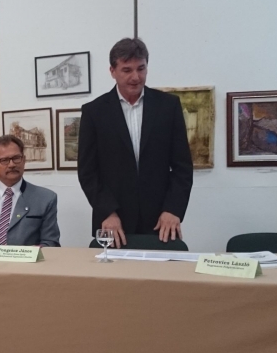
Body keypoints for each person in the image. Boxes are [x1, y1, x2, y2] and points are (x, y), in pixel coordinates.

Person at [77, 37, 193, 247]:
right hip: (113, 221)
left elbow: (182, 167)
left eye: (141, 68)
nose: (135, 77)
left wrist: (173, 209)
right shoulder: (94, 112)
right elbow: (88, 172)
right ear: (112, 71)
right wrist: (107, 211)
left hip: (162, 220)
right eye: (127, 70)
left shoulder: (168, 106)